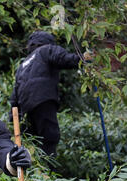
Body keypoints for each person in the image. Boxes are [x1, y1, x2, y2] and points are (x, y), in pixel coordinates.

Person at [9, 30, 90, 160]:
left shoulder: (23, 64)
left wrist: (12, 120)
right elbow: (64, 59)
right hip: (43, 98)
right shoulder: (46, 50)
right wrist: (83, 59)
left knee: (34, 140)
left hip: (26, 107)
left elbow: (14, 96)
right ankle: (50, 171)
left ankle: (38, 172)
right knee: (49, 137)